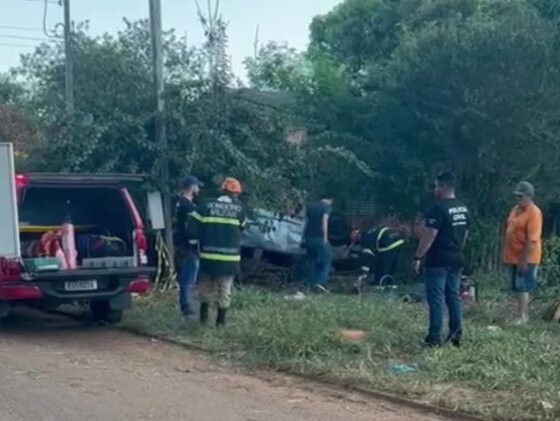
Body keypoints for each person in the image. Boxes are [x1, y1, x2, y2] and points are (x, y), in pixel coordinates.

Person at [412, 171, 469, 347]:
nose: (434, 189)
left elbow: (430, 234)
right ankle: (455, 335)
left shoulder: (438, 208)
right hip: (456, 257)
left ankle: (434, 338)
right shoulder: (462, 208)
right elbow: (465, 234)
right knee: (453, 297)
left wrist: (418, 256)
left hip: (438, 259)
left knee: (436, 299)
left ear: (443, 187)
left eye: (436, 186)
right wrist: (458, 249)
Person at [190, 177, 246, 327]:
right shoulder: (240, 208)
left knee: (205, 288)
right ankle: (221, 322)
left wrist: (194, 243)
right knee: (224, 289)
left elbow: (192, 227)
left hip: (208, 256)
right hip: (230, 259)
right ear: (236, 194)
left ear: (222, 190)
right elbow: (242, 228)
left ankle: (203, 319)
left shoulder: (205, 204)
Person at [503, 181, 542, 325]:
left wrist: (523, 260)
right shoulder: (515, 209)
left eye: (521, 197)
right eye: (517, 196)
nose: (517, 199)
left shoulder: (534, 213)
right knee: (515, 286)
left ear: (529, 197)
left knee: (523, 286)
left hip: (526, 257)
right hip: (512, 255)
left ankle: (523, 316)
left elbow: (532, 240)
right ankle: (518, 313)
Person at [174, 175, 203, 316]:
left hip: (183, 245)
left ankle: (186, 304)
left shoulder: (180, 203)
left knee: (188, 274)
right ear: (191, 187)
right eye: (197, 186)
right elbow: (191, 226)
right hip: (188, 246)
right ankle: (186, 306)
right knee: (189, 276)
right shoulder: (187, 205)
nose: (198, 189)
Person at [356, 223, 407, 291]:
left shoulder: (365, 238)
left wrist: (364, 273)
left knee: (382, 264)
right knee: (391, 265)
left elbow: (367, 257)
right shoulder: (369, 232)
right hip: (397, 243)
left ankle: (379, 284)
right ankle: (390, 284)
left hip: (388, 246)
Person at [303, 194, 333, 293]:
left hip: (309, 237)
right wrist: (325, 238)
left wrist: (304, 236)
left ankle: (310, 283)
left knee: (311, 260)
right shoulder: (326, 207)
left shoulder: (311, 206)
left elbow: (306, 222)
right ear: (330, 199)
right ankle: (319, 282)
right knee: (327, 260)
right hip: (319, 238)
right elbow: (324, 221)